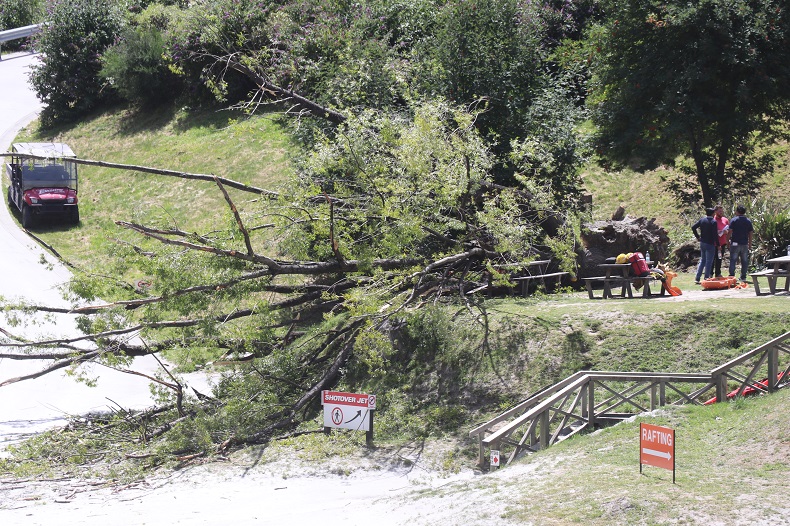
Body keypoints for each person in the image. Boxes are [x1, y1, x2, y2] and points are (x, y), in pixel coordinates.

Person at [692, 207, 718, 284]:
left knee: (703, 260)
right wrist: (718, 244)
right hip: (710, 243)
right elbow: (715, 234)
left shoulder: (702, 220)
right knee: (709, 261)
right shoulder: (713, 221)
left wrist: (697, 237)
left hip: (703, 242)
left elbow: (693, 227)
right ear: (713, 214)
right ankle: (706, 277)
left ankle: (697, 278)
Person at [728, 205, 753, 282]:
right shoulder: (748, 221)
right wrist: (750, 243)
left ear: (737, 211)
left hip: (735, 243)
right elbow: (750, 233)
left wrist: (727, 240)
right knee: (744, 261)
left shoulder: (734, 220)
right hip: (744, 243)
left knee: (733, 260)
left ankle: (732, 276)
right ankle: (743, 277)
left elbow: (730, 231)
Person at [713, 205, 729, 278]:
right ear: (715, 211)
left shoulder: (725, 220)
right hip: (714, 243)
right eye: (719, 211)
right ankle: (710, 273)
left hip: (722, 242)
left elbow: (729, 229)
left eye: (722, 211)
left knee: (719, 258)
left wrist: (726, 232)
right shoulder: (713, 220)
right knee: (712, 259)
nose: (721, 212)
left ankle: (718, 273)